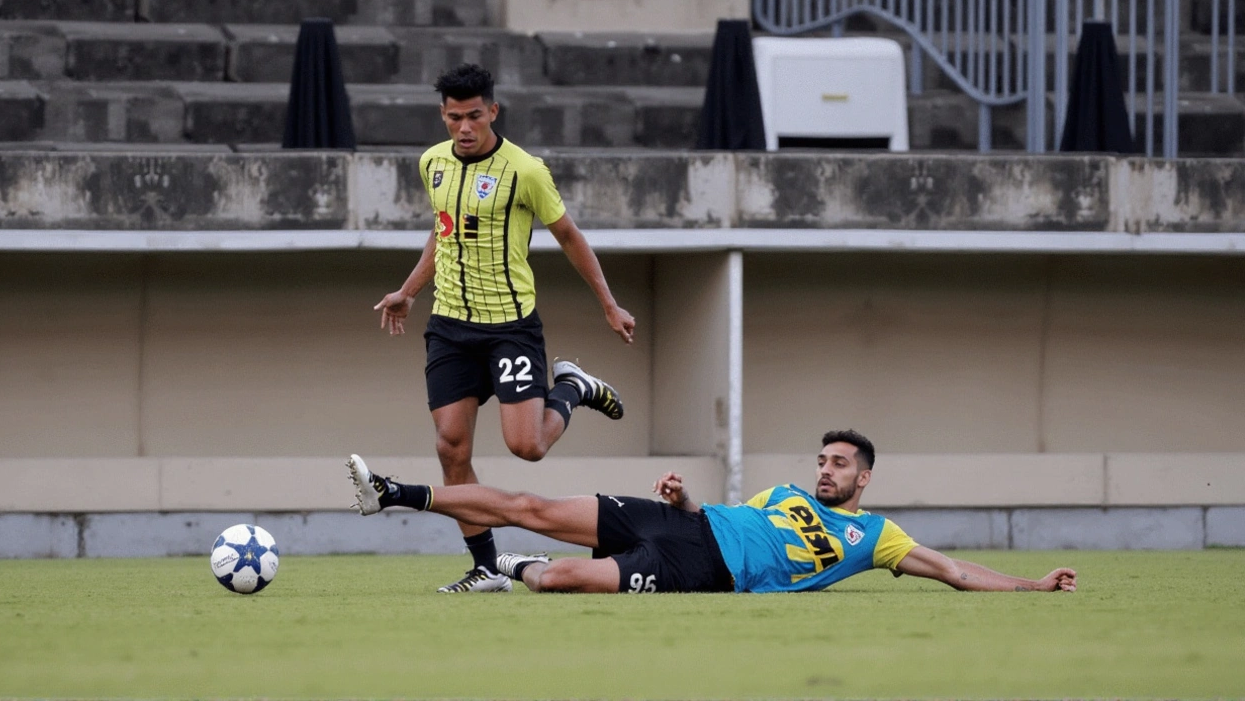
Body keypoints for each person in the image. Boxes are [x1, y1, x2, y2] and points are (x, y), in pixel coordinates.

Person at [372, 63, 636, 594]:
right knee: (451, 448)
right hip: (449, 327)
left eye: (474, 116)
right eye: (453, 118)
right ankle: (487, 567)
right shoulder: (432, 164)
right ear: (442, 115)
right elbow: (442, 235)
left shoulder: (526, 171)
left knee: (528, 447)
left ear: (493, 111)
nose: (463, 128)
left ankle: (572, 388)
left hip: (509, 328)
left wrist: (609, 304)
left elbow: (569, 236)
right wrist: (408, 292)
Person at [345, 429, 1078, 594]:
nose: (823, 470)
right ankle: (393, 493)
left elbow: (951, 570)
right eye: (821, 460)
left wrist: (1030, 587)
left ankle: (504, 569)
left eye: (839, 464)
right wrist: (684, 500)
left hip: (702, 572)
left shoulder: (876, 537)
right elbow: (726, 512)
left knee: (560, 579)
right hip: (687, 527)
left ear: (865, 477)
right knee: (529, 502)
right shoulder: (785, 497)